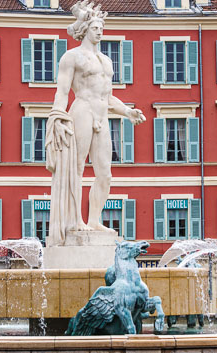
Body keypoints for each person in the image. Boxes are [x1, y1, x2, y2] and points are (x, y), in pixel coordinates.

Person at [46, 0, 146, 245]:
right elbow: (62, 91)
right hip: (82, 111)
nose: (100, 31)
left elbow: (108, 96)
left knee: (105, 174)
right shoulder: (72, 57)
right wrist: (58, 116)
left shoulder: (106, 61)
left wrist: (127, 111)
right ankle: (75, 221)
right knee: (77, 169)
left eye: (102, 27)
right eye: (95, 28)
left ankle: (93, 219)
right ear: (85, 30)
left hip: (103, 115)